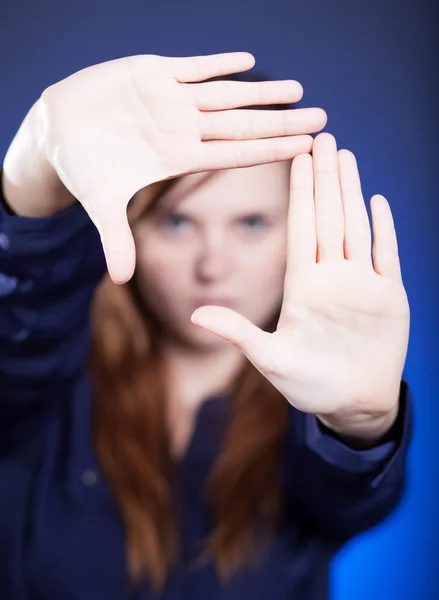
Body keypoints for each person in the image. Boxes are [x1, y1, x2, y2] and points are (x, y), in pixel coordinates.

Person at [0, 52, 411, 600]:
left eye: (251, 223)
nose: (213, 265)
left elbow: (354, 500)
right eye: (176, 221)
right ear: (129, 225)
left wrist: (358, 428)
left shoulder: (308, 422)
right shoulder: (49, 376)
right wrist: (33, 174)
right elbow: (21, 328)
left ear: (297, 229)